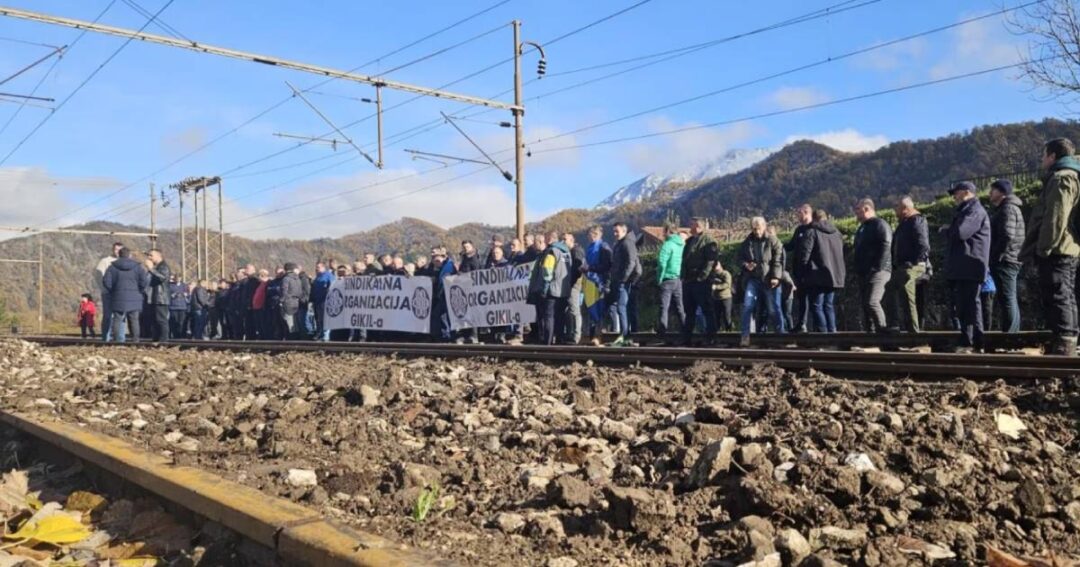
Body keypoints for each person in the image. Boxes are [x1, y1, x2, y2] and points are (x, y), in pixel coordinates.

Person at [1021, 137, 1080, 356]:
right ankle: (1067, 341)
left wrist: (1043, 248)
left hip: (1059, 248)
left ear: (1053, 156)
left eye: (1044, 155)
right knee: (1066, 294)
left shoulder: (1062, 178)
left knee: (1059, 294)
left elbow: (1056, 217)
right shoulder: (1069, 176)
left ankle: (1065, 345)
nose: (1042, 159)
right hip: (1067, 247)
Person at [944, 181, 991, 353]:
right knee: (967, 304)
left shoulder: (974, 211)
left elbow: (962, 232)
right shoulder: (969, 210)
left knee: (970, 304)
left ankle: (971, 341)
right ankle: (973, 340)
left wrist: (948, 231)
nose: (954, 197)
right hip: (965, 265)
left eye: (956, 193)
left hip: (970, 265)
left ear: (965, 192)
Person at [737, 217, 784, 346]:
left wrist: (776, 276)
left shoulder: (773, 241)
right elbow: (739, 258)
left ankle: (780, 336)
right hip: (753, 279)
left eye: (758, 228)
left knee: (773, 309)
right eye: (754, 228)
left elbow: (778, 260)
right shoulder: (747, 242)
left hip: (769, 279)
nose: (756, 231)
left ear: (764, 226)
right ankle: (745, 336)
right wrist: (746, 265)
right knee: (747, 307)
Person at [888, 196, 930, 333]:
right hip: (902, 266)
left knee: (908, 294)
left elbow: (923, 244)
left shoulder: (916, 221)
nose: (895, 211)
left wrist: (915, 263)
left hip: (911, 265)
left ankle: (914, 332)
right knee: (892, 291)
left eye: (897, 208)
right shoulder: (904, 223)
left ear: (905, 208)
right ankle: (901, 327)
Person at [989, 179, 1025, 333]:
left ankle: (1010, 335)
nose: (990, 193)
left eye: (993, 190)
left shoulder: (1007, 209)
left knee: (1007, 298)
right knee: (1009, 297)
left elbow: (1007, 235)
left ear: (1002, 192)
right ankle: (1012, 333)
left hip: (1006, 260)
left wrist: (996, 255)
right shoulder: (1009, 208)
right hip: (1010, 258)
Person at [853, 198, 892, 333]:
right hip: (864, 271)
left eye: (857, 209)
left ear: (866, 209)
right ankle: (871, 333)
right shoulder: (862, 228)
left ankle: (882, 330)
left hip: (878, 270)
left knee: (872, 301)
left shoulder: (879, 224)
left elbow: (886, 245)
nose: (855, 213)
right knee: (865, 304)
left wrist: (878, 266)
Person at [804, 209, 846, 333]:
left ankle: (823, 334)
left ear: (814, 218)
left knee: (816, 306)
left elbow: (805, 255)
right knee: (828, 305)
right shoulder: (837, 233)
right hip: (834, 274)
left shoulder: (812, 232)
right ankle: (833, 332)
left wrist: (803, 271)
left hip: (817, 274)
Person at [529, 231, 573, 345]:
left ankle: (547, 342)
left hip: (552, 291)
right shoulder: (567, 253)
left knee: (549, 317)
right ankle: (559, 340)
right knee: (560, 317)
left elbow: (547, 271)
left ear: (549, 239)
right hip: (564, 290)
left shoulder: (551, 252)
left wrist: (544, 288)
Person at [681, 218, 719, 345]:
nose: (689, 228)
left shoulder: (708, 241)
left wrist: (702, 277)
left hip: (701, 281)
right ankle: (687, 338)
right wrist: (684, 277)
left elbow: (710, 261)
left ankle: (711, 337)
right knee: (689, 311)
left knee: (706, 309)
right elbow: (684, 260)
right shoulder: (690, 241)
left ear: (697, 226)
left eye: (691, 225)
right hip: (689, 280)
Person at [102, 247, 148, 343]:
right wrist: (139, 290)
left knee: (117, 319)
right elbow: (144, 281)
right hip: (135, 297)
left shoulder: (112, 267)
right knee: (134, 320)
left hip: (117, 296)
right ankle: (135, 340)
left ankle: (116, 340)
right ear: (129, 255)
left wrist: (113, 290)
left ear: (118, 255)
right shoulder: (137, 267)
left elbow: (106, 281)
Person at [608, 223, 640, 346]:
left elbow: (631, 262)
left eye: (617, 231)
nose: (615, 234)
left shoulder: (627, 243)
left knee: (622, 307)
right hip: (619, 280)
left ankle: (624, 335)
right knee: (624, 307)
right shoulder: (619, 244)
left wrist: (624, 278)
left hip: (624, 281)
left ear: (624, 231)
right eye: (614, 231)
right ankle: (626, 335)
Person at [786, 205, 815, 333]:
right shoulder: (799, 230)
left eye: (799, 213)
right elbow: (792, 245)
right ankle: (801, 324)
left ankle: (815, 325)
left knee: (813, 299)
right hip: (798, 270)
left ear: (806, 213)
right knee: (802, 298)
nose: (797, 216)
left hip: (811, 270)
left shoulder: (814, 228)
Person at [655, 223, 686, 340]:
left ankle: (662, 331)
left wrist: (659, 278)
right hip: (677, 279)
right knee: (680, 306)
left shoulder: (667, 245)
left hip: (667, 279)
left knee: (664, 307)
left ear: (667, 231)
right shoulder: (681, 244)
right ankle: (685, 329)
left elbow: (662, 263)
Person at [583, 226, 612, 346]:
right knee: (591, 310)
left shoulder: (603, 247)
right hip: (589, 281)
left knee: (599, 310)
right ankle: (592, 336)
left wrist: (590, 268)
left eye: (595, 233)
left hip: (599, 282)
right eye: (590, 234)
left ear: (600, 234)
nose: (592, 236)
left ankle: (600, 336)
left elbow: (607, 266)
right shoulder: (589, 248)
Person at [94, 242, 123, 342]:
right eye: (116, 249)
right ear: (112, 249)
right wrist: (103, 288)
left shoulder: (124, 261)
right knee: (108, 316)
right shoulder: (105, 261)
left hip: (120, 293)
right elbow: (98, 276)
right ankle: (106, 338)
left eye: (120, 250)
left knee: (120, 316)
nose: (118, 251)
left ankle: (120, 339)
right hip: (108, 293)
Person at [456, 241, 483, 344]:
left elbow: (476, 274)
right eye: (464, 247)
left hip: (473, 289)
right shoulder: (464, 258)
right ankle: (465, 334)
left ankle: (474, 335)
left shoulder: (474, 259)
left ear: (472, 247)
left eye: (467, 246)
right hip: (464, 289)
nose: (466, 248)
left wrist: (463, 274)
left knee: (473, 312)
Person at [562, 233, 586, 345]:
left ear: (571, 240)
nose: (563, 241)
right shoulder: (570, 252)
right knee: (569, 310)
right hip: (571, 283)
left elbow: (578, 268)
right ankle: (571, 334)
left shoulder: (576, 251)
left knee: (574, 310)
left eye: (565, 239)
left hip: (574, 284)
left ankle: (576, 336)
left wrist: (571, 281)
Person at [144, 249, 171, 342]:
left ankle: (164, 340)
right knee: (154, 320)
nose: (149, 258)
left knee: (161, 320)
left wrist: (151, 269)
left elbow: (162, 277)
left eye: (151, 255)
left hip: (161, 298)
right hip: (154, 297)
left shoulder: (163, 266)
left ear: (158, 256)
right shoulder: (156, 267)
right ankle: (156, 339)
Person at [312, 262, 335, 341]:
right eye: (316, 267)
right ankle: (320, 334)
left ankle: (326, 336)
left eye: (318, 267)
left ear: (323, 267)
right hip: (317, 301)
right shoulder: (317, 277)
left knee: (325, 319)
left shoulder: (328, 276)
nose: (316, 269)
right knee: (319, 319)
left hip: (325, 301)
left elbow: (332, 286)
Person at [281, 262, 304, 340]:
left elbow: (284, 291)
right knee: (295, 324)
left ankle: (290, 341)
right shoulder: (298, 279)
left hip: (288, 303)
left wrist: (281, 301)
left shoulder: (286, 279)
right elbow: (300, 292)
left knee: (288, 324)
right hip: (296, 302)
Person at [709, 262, 734, 331]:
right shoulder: (712, 275)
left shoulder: (726, 273)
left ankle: (729, 331)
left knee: (726, 316)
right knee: (716, 317)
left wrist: (716, 287)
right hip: (716, 298)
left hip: (726, 298)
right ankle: (717, 332)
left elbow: (727, 284)